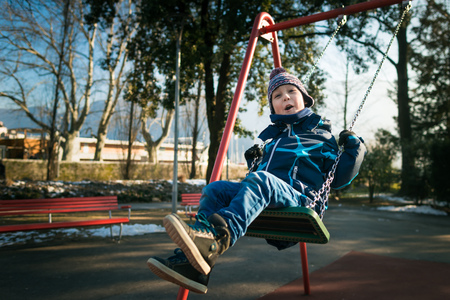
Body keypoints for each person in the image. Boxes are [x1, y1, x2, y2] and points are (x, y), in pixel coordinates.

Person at [147, 67, 366, 294]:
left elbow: (339, 178)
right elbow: (260, 177)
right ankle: (195, 265)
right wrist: (255, 162)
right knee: (216, 189)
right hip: (270, 193)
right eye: (278, 96)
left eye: (292, 91)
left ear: (305, 99)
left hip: (301, 198)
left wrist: (354, 149)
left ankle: (219, 238)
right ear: (274, 107)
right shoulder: (273, 139)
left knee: (261, 180)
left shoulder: (322, 136)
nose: (286, 97)